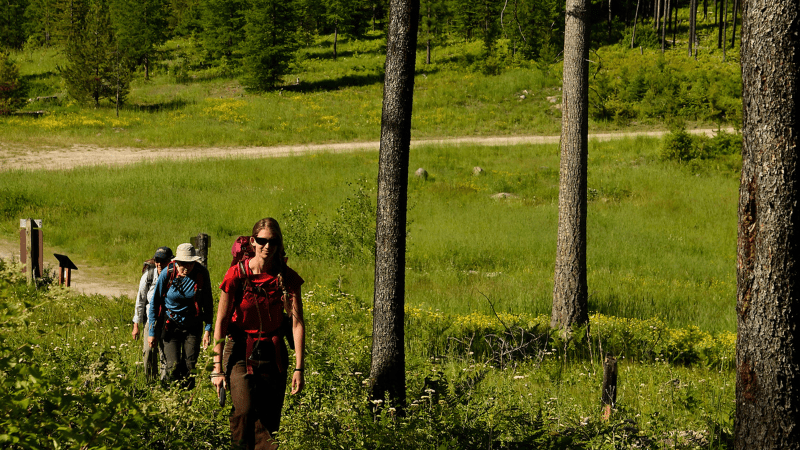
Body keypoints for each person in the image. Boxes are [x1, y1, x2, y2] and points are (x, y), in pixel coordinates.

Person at [212, 218, 306, 450]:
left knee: (269, 419)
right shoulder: (236, 275)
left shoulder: (288, 278)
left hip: (272, 353)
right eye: (262, 241)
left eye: (273, 241)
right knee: (243, 412)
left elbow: (297, 323)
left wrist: (299, 368)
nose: (267, 246)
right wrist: (217, 368)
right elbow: (221, 322)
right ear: (253, 241)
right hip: (240, 351)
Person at [147, 243, 214, 388]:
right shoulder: (167, 272)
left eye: (189, 263)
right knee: (173, 366)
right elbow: (155, 302)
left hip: (193, 325)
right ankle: (171, 398)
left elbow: (208, 303)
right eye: (182, 263)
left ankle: (186, 401)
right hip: (171, 325)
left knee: (190, 366)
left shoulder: (201, 274)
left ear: (194, 262)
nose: (185, 267)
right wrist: (152, 331)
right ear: (175, 262)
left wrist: (208, 329)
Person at [132, 246, 173, 381]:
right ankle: (150, 381)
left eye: (163, 260)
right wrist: (136, 325)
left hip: (169, 320)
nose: (159, 264)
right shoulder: (148, 276)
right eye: (157, 260)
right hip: (151, 319)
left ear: (170, 261)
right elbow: (140, 300)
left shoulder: (174, 276)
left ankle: (164, 382)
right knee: (149, 351)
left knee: (165, 353)